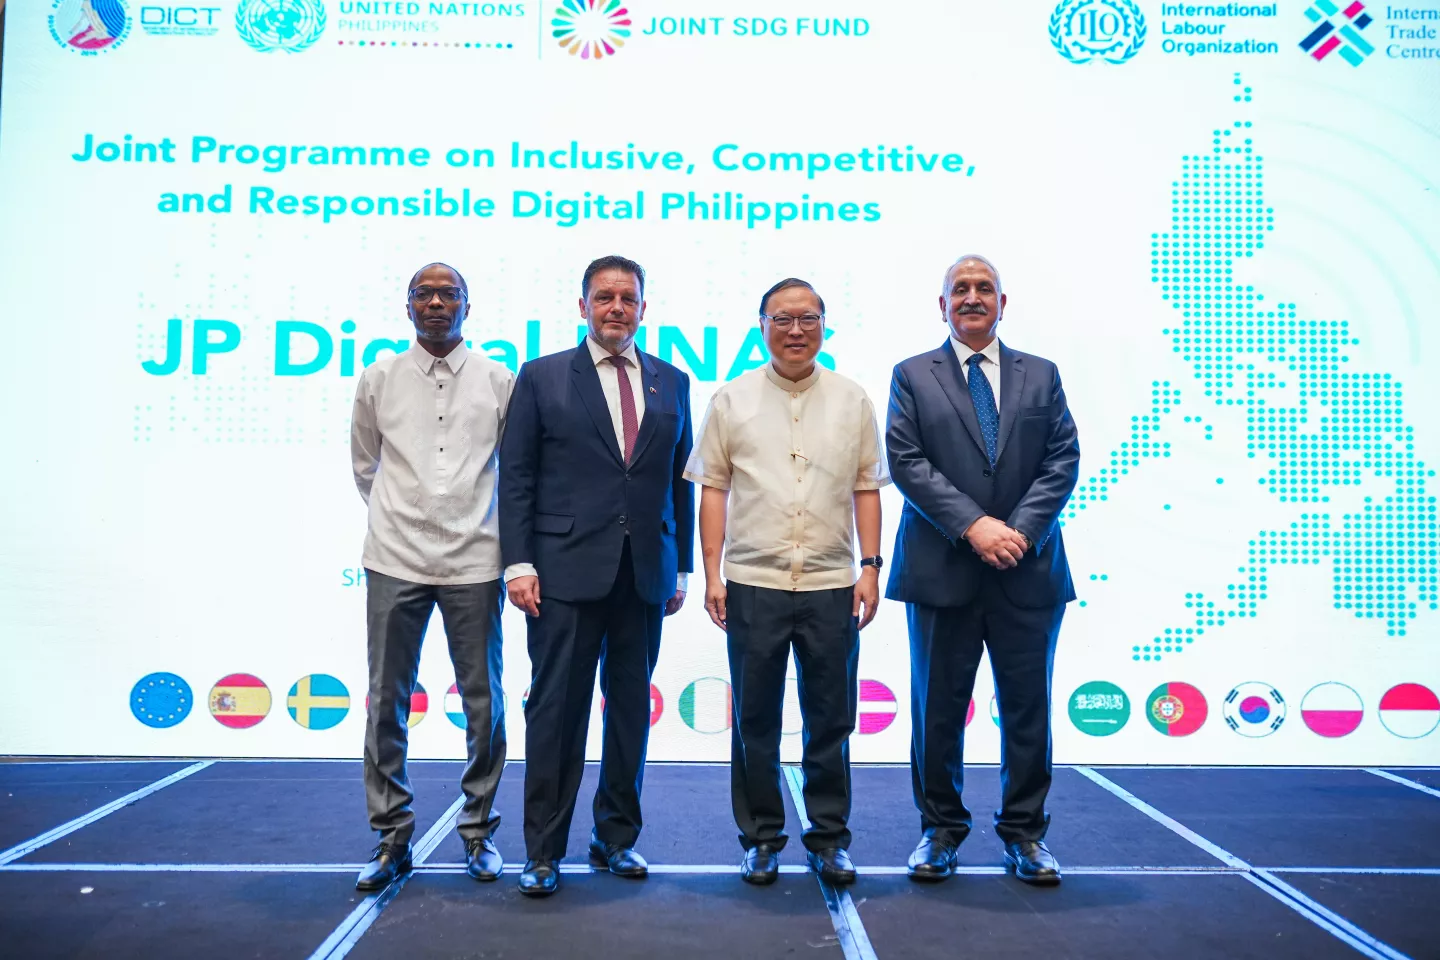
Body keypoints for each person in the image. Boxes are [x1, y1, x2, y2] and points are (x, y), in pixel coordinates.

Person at [499, 254, 694, 897]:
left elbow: (677, 482)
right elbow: (518, 477)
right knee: (556, 713)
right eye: (604, 297)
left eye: (628, 298)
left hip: (645, 575)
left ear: (644, 308)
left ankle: (616, 839)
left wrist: (682, 565)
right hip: (561, 574)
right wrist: (519, 562)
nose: (617, 307)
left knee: (631, 712)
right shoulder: (543, 377)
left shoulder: (673, 382)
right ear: (582, 306)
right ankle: (543, 850)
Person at [686, 278, 888, 887]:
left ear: (824, 324)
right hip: (753, 582)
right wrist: (713, 572)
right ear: (762, 326)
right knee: (755, 720)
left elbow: (866, 488)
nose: (795, 330)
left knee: (831, 717)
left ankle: (829, 838)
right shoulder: (732, 399)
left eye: (807, 318)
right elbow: (713, 489)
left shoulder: (852, 400)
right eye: (782, 319)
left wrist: (870, 568)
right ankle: (762, 838)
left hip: (831, 582)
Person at [886, 255, 1080, 886]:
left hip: (1028, 569)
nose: (972, 298)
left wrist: (1018, 533)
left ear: (1003, 302)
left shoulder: (1042, 375)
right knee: (936, 709)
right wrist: (975, 526)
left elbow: (1062, 458)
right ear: (941, 305)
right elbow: (907, 461)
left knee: (1028, 710)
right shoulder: (912, 375)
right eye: (959, 290)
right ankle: (939, 832)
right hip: (943, 569)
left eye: (984, 289)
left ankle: (1025, 836)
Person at [350, 263, 514, 890]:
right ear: (408, 305)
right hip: (395, 557)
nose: (438, 303)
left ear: (467, 305)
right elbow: (366, 467)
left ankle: (477, 832)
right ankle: (392, 837)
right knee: (386, 700)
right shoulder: (379, 378)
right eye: (426, 294)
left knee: (485, 703)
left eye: (450, 294)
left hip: (476, 559)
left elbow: (512, 467)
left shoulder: (499, 380)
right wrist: (406, 518)